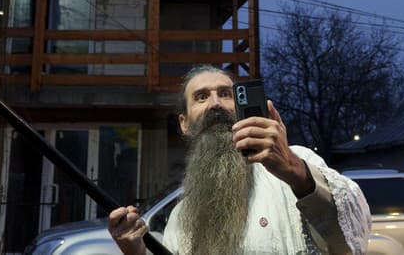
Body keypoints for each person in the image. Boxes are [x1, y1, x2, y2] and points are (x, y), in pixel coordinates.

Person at [108, 65, 372, 255]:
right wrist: (136, 252)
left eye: (225, 94)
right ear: (184, 123)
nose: (215, 104)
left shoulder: (297, 164)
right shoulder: (181, 216)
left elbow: (353, 237)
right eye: (201, 97)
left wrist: (293, 169)